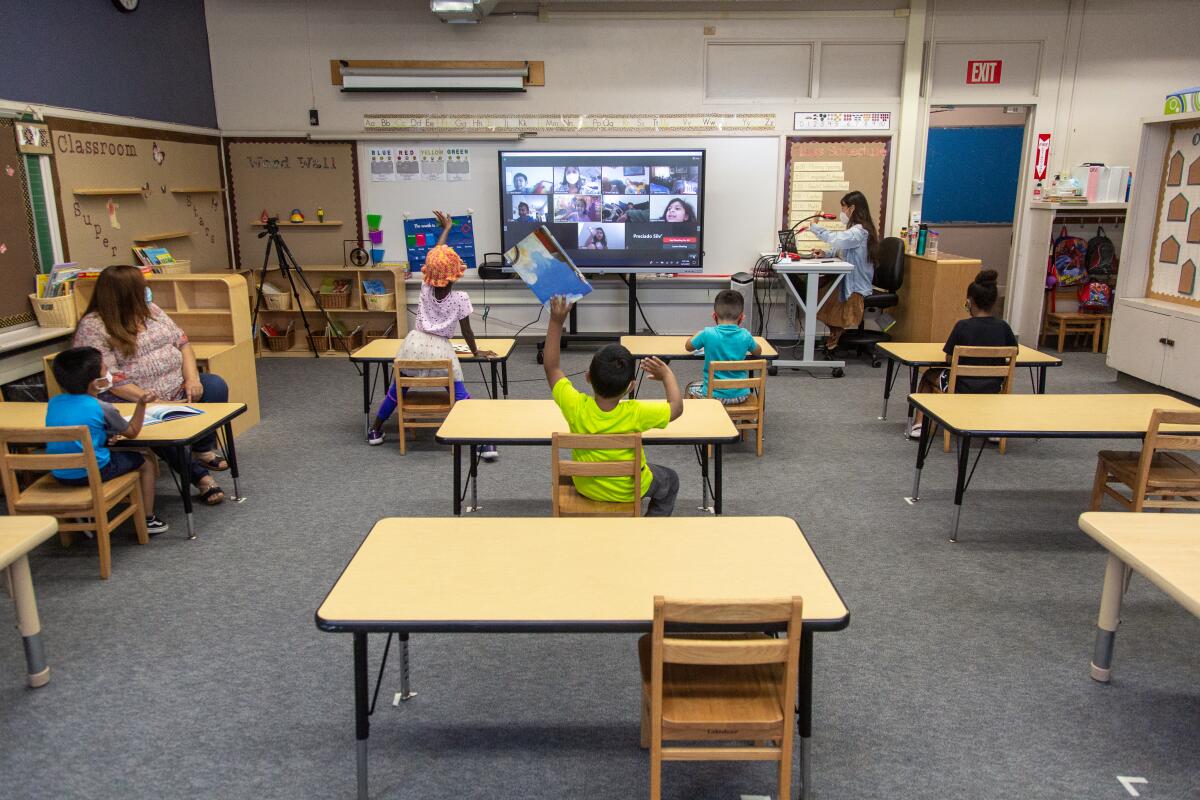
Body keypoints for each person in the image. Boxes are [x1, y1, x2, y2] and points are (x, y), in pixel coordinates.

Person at [73, 264, 229, 505]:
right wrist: (157, 402)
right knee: (163, 423)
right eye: (142, 287)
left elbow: (183, 343)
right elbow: (110, 379)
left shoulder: (150, 310)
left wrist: (192, 379)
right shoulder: (94, 326)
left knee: (215, 386)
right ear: (126, 293)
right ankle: (201, 478)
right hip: (133, 397)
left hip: (176, 386)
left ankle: (202, 449)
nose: (147, 291)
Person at [368, 211, 498, 458]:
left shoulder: (426, 287)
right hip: (442, 350)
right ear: (455, 274)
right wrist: (475, 351)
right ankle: (483, 443)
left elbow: (436, 255)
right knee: (460, 395)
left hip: (413, 345)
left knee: (397, 390)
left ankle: (375, 430)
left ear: (432, 274)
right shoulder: (460, 298)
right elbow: (467, 331)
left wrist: (445, 229)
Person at [544, 296, 681, 516]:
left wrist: (556, 321)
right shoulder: (636, 412)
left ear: (588, 377)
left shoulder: (575, 406)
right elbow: (676, 408)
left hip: (586, 486)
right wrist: (666, 375)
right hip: (628, 490)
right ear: (630, 387)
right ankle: (652, 529)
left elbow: (551, 368)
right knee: (670, 480)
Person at [46, 347, 168, 534]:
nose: (108, 372)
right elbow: (133, 431)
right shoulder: (101, 407)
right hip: (93, 472)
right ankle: (148, 519)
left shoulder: (53, 403)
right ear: (95, 383)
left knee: (108, 450)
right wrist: (142, 403)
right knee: (146, 460)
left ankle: (84, 514)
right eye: (105, 369)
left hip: (61, 473)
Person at [909, 270, 1017, 439]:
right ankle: (993, 430)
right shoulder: (1003, 327)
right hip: (993, 386)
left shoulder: (962, 326)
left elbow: (950, 358)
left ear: (969, 302)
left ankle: (919, 425)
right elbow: (1013, 353)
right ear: (994, 302)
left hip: (962, 386)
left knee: (929, 375)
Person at [802, 190, 879, 352]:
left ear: (852, 208)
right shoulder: (856, 230)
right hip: (847, 279)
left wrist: (815, 227)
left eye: (843, 208)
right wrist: (826, 253)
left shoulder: (860, 231)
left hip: (856, 284)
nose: (842, 212)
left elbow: (838, 240)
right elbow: (843, 250)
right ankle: (835, 331)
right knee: (818, 291)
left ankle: (836, 331)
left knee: (825, 295)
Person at [684, 290, 762, 404]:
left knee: (690, 387)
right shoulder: (745, 335)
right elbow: (758, 352)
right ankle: (747, 420)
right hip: (741, 395)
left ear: (714, 316)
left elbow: (688, 346)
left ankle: (694, 420)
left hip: (713, 396)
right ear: (741, 318)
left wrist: (699, 332)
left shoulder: (707, 333)